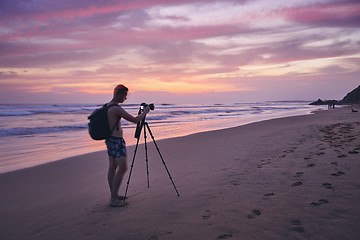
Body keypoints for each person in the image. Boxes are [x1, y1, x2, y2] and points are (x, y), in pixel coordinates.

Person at [105, 84, 150, 207]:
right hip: (117, 141)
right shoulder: (116, 108)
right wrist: (145, 112)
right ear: (119, 94)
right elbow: (135, 120)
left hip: (109, 140)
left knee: (113, 167)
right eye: (124, 96)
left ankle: (114, 195)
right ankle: (113, 199)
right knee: (123, 168)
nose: (125, 99)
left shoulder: (107, 106)